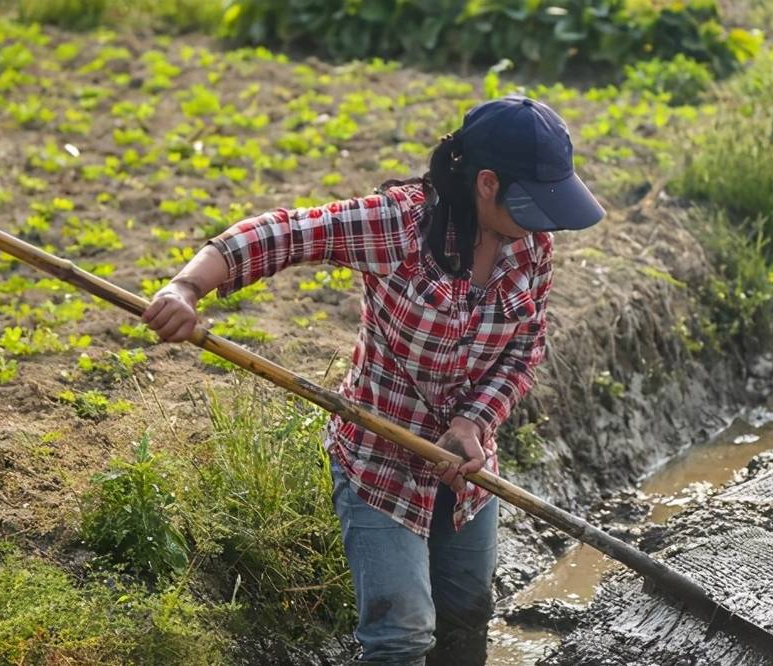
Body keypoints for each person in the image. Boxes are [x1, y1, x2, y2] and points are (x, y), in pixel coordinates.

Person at [141, 94, 605, 665]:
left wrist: (472, 422)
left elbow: (526, 348)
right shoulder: (402, 227)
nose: (546, 223)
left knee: (466, 617)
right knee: (402, 635)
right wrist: (184, 289)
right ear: (487, 183)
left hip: (467, 469)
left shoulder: (532, 246)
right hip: (380, 460)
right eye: (535, 203)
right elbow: (281, 234)